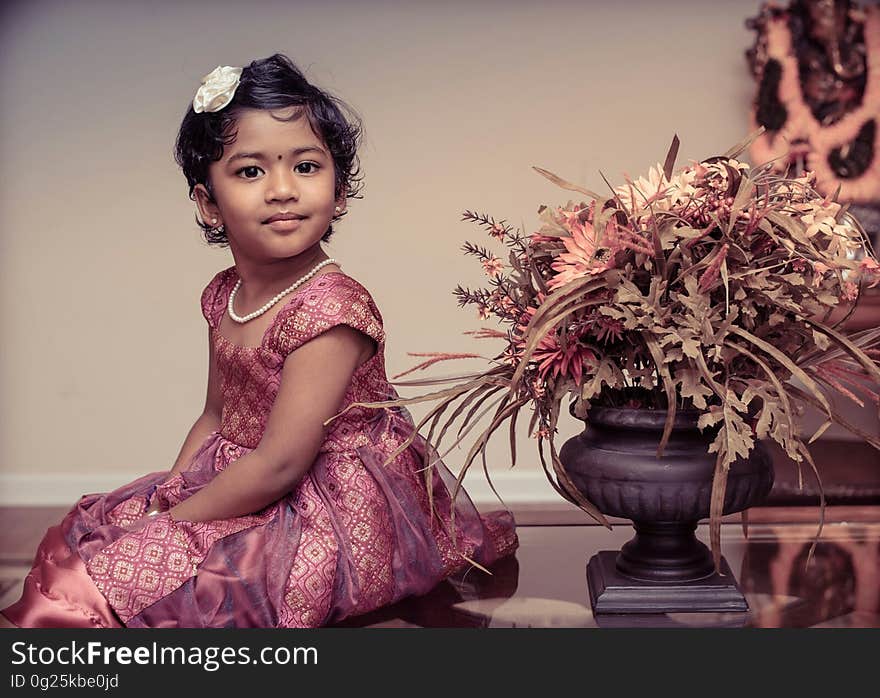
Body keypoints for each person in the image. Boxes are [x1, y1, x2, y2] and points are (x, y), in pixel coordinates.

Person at [0, 54, 517, 628]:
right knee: (98, 541)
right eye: (250, 171)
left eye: (306, 166)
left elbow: (281, 463)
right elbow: (216, 414)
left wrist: (178, 526)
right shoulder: (225, 293)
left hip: (325, 500)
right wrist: (170, 497)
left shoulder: (330, 309)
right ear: (208, 204)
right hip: (245, 474)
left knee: (166, 584)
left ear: (340, 191)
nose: (281, 190)